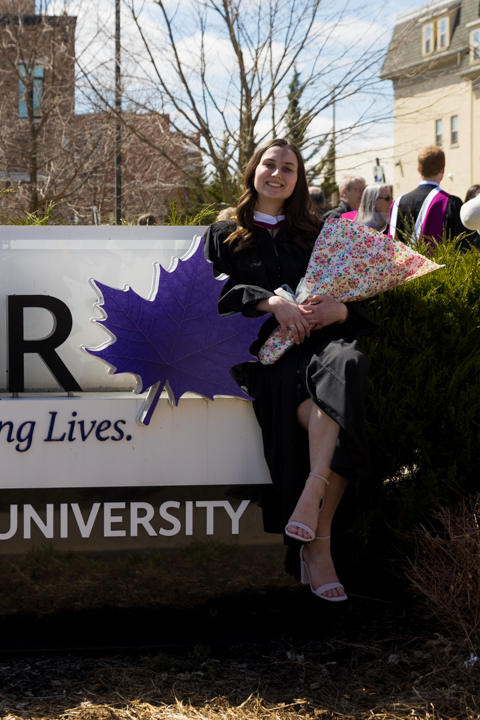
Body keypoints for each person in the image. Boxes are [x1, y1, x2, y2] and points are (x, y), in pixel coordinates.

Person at [204, 138, 378, 602]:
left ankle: (311, 492)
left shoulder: (317, 233)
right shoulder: (225, 235)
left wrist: (339, 311)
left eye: (289, 168)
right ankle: (318, 546)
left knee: (349, 359)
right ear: (253, 170)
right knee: (338, 419)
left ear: (298, 180)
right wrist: (270, 301)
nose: (278, 173)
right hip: (268, 356)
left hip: (322, 346)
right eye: (270, 164)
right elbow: (210, 299)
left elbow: (353, 293)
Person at [392, 146, 469, 248]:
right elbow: (462, 247)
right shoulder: (451, 203)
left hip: (404, 263)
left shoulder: (398, 203)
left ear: (419, 170)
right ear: (443, 169)